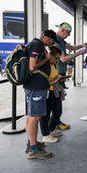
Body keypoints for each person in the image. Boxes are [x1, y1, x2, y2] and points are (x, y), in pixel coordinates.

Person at [24, 29, 58, 159]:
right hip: (36, 86)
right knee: (35, 117)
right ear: (48, 39)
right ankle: (33, 149)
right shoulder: (37, 45)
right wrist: (47, 59)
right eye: (52, 42)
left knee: (31, 115)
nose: (51, 45)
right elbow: (32, 66)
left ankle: (30, 143)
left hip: (34, 86)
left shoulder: (33, 44)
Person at [54, 22, 87, 130]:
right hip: (57, 75)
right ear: (63, 30)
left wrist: (81, 45)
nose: (69, 35)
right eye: (68, 33)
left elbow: (71, 47)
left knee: (58, 99)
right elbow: (63, 59)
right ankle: (55, 123)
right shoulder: (57, 42)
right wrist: (79, 53)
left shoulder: (60, 40)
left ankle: (55, 122)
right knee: (56, 100)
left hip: (60, 74)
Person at [39, 46, 64, 144]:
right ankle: (45, 135)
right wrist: (56, 79)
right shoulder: (45, 66)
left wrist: (58, 79)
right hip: (47, 92)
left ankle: (51, 129)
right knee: (45, 115)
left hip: (55, 91)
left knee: (58, 112)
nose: (57, 60)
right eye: (56, 58)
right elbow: (43, 82)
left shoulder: (54, 64)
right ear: (50, 56)